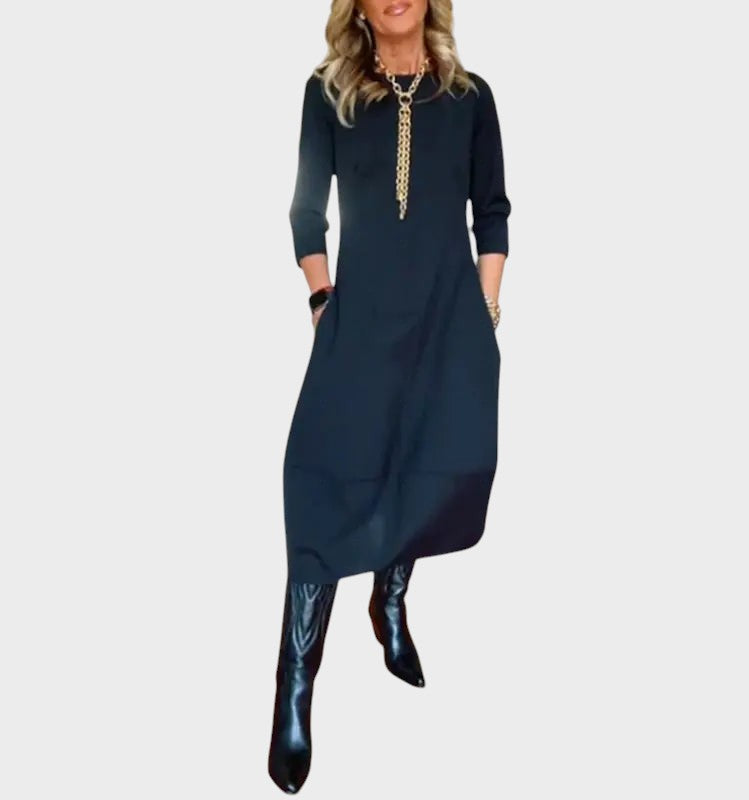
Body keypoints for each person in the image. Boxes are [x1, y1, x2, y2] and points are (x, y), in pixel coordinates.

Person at [268, 0, 510, 792]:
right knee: (321, 481)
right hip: (360, 323)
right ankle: (295, 686)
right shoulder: (329, 91)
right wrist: (321, 299)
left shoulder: (470, 98)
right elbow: (307, 209)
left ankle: (391, 602)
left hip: (446, 323)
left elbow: (492, 213)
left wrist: (486, 310)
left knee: (429, 463)